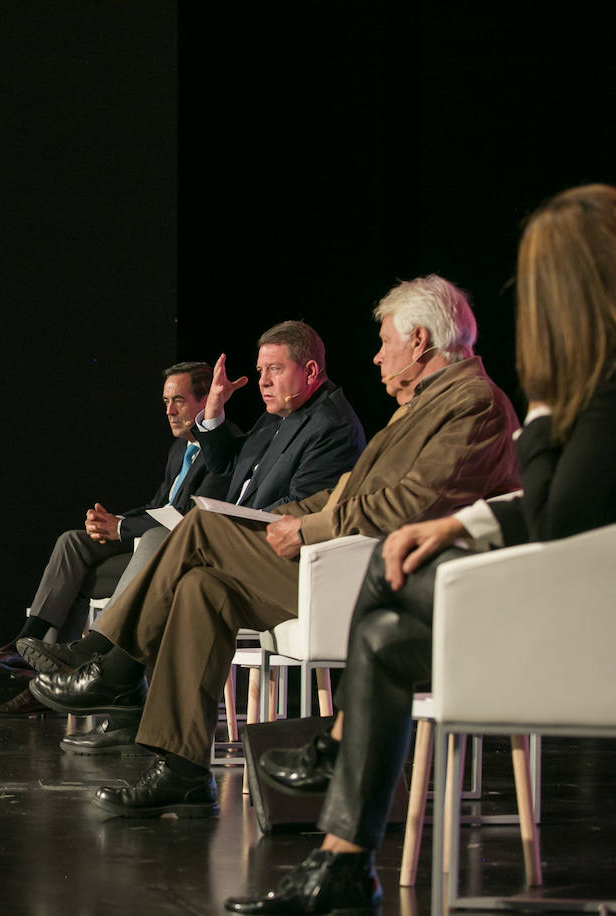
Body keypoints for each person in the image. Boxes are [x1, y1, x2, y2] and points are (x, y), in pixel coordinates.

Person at [227, 185, 616, 914]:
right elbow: (542, 506)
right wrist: (460, 528)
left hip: (585, 619)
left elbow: (562, 516)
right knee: (382, 633)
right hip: (553, 592)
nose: (530, 306)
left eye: (538, 284)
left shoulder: (590, 395)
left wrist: (537, 413)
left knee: (393, 567)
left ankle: (338, 755)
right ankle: (343, 863)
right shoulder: (590, 387)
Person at [31, 275, 522, 820]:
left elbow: (415, 505)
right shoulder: (423, 405)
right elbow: (347, 492)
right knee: (201, 589)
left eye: (385, 342)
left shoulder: (473, 404)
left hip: (381, 585)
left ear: (421, 341)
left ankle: (115, 669)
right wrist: (293, 518)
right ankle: (181, 769)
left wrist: (308, 529)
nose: (377, 356)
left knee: (200, 528)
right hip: (347, 566)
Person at [16, 321, 367, 748]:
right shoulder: (278, 417)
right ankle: (165, 745)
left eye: (274, 370)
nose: (262, 381)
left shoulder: (330, 425)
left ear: (310, 371)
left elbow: (300, 511)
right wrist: (214, 411)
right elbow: (227, 465)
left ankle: (101, 661)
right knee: (191, 577)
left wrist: (229, 521)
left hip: (281, 560)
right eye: (260, 371)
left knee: (184, 530)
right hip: (239, 551)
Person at [0, 361, 231, 711]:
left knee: (80, 577)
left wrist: (121, 528)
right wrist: (113, 521)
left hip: (173, 563)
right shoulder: (179, 450)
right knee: (74, 541)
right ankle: (26, 642)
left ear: (206, 401)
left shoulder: (222, 449)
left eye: (179, 401)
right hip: (146, 550)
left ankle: (52, 685)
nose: (169, 411)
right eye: (166, 401)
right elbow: (158, 506)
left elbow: (188, 520)